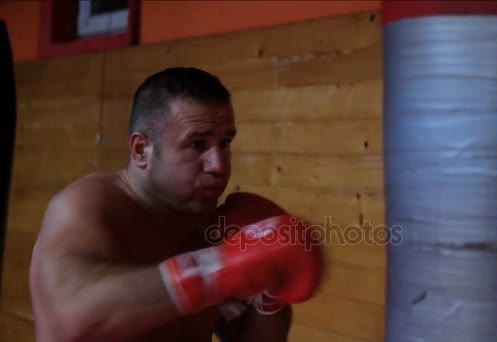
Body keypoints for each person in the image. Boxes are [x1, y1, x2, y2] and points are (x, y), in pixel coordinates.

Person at [29, 67, 323, 341]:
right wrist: (218, 269)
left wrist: (268, 296)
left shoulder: (213, 227)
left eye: (225, 143)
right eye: (197, 144)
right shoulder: (90, 206)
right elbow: (67, 318)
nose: (218, 165)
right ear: (141, 150)